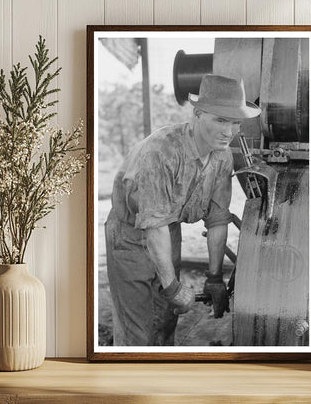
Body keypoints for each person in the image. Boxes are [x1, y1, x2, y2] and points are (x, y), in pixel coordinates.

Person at [105, 74, 261, 346]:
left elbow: (217, 220)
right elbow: (154, 226)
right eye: (220, 120)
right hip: (129, 237)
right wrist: (174, 287)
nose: (229, 131)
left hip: (169, 228)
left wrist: (214, 278)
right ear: (198, 114)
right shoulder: (162, 151)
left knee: (166, 320)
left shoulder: (222, 155)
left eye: (235, 122)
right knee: (137, 333)